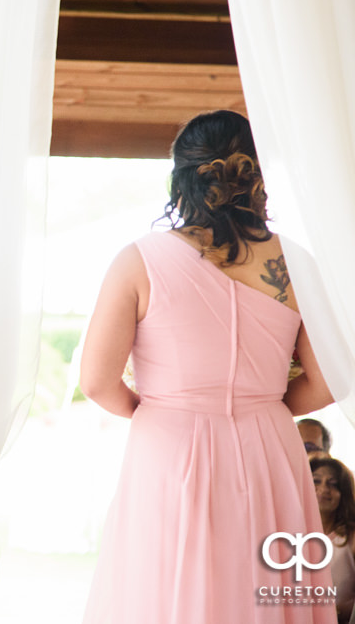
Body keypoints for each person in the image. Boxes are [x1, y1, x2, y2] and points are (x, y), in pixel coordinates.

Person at [80, 110, 335, 623]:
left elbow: (95, 381)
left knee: (168, 591)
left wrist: (161, 409)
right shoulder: (297, 264)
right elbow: (329, 378)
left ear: (182, 178)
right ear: (256, 174)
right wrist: (263, 406)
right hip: (269, 448)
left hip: (169, 447)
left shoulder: (138, 260)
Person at [310, 456, 355, 623]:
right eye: (316, 481)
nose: (323, 489)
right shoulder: (287, 535)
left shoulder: (350, 537)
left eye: (333, 484)